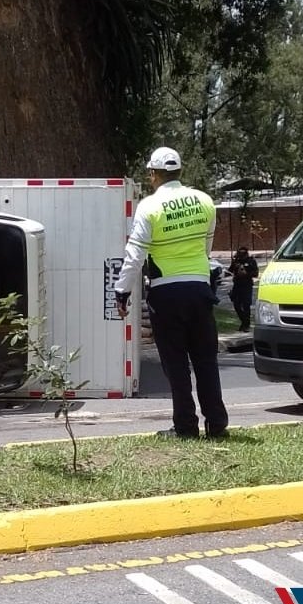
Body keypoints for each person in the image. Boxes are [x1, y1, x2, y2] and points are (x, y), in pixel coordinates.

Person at [114, 146, 229, 440]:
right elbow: (206, 247)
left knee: (176, 365)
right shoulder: (205, 201)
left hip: (166, 294)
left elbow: (135, 255)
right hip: (200, 290)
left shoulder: (149, 207)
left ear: (154, 174)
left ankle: (186, 427)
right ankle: (217, 425)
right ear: (179, 172)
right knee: (205, 360)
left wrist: (122, 290)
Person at [227, 246, 259, 332]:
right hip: (237, 285)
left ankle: (246, 325)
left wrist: (246, 273)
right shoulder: (235, 261)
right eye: (239, 253)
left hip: (247, 285)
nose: (241, 255)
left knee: (246, 305)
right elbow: (229, 271)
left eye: (243, 253)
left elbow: (256, 273)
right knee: (236, 305)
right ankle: (244, 322)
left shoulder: (251, 261)